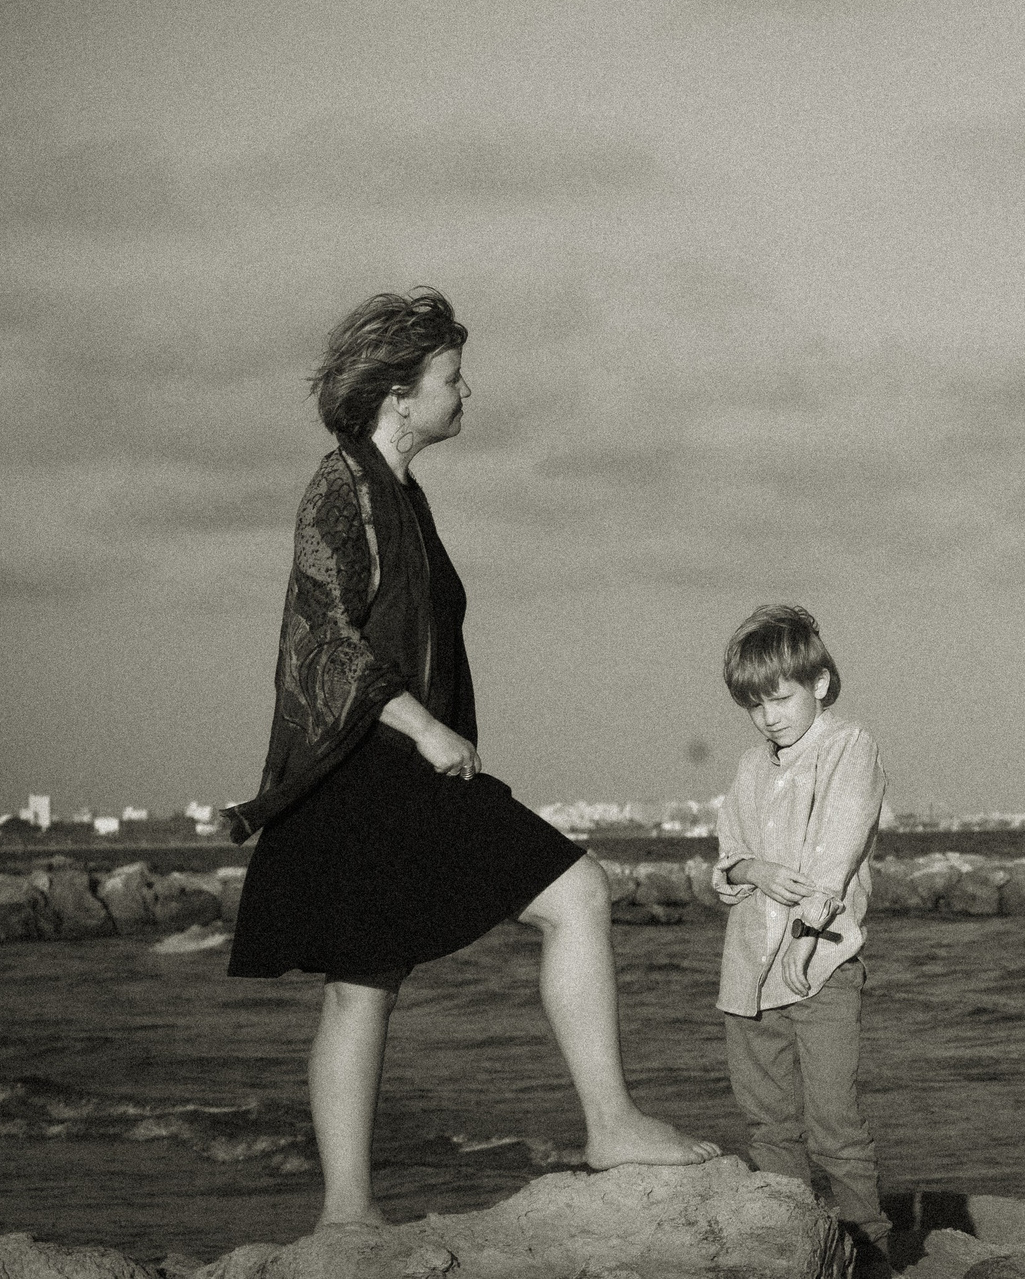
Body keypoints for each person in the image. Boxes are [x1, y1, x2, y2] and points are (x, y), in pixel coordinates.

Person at [225, 287, 715, 1228]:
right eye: (453, 376)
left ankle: (348, 1215)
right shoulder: (342, 485)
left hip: (400, 765)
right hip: (369, 764)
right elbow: (325, 637)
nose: (468, 390)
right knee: (572, 896)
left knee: (364, 983)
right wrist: (426, 727)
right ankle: (603, 1127)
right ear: (400, 393)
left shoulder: (401, 491)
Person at [711, 605, 893, 1276]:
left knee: (835, 1126)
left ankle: (870, 1252)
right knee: (769, 1127)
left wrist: (791, 892)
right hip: (746, 975)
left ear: (819, 681)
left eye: (780, 695)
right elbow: (727, 859)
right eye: (754, 702)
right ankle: (794, 1251)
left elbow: (834, 857)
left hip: (821, 966)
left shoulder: (850, 745)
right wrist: (750, 868)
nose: (768, 715)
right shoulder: (750, 766)